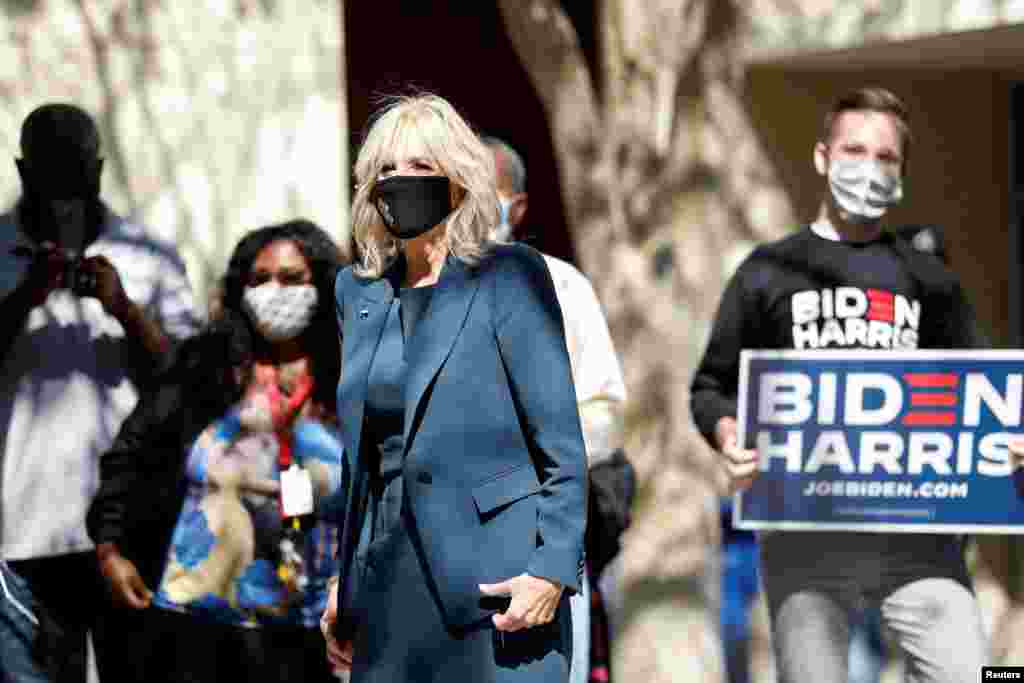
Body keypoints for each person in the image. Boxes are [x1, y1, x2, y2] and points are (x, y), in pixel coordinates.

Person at [690, 87, 988, 683]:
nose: (869, 169)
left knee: (968, 673)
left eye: (886, 158)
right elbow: (712, 386)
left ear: (901, 174)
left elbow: (980, 390)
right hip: (803, 534)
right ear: (823, 158)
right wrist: (728, 435)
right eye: (855, 151)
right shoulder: (766, 272)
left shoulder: (931, 281)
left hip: (918, 536)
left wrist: (1005, 438)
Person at [319, 93, 587, 683]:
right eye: (385, 169)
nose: (398, 181)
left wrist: (551, 569)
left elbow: (562, 446)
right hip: (386, 583)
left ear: (458, 180)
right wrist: (344, 579)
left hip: (498, 587)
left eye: (418, 166)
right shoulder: (355, 292)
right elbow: (360, 459)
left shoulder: (509, 276)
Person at [86, 219, 346, 682]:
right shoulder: (203, 368)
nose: (274, 291)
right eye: (260, 278)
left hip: (312, 629)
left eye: (291, 279)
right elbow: (133, 450)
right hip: (199, 623)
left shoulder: (353, 376)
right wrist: (110, 546)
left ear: (323, 285)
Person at [0, 103, 197, 682]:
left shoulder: (148, 255)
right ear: (23, 170)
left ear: (100, 168)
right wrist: (24, 298)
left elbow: (187, 380)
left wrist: (127, 310)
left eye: (77, 170)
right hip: (23, 527)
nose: (65, 188)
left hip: (128, 523)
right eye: (50, 171)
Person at [482, 135, 629, 683]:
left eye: (487, 191)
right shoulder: (416, 290)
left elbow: (605, 412)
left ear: (516, 207)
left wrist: (527, 456)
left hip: (544, 533)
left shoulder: (562, 288)